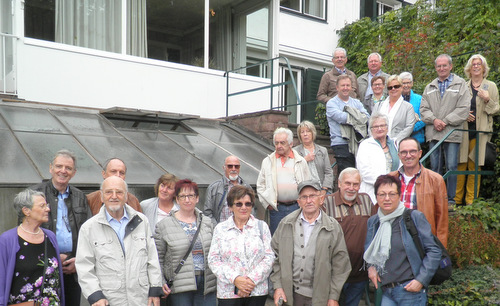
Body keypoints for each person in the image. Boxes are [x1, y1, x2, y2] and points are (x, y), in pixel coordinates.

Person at [75, 176, 163, 306]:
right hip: (109, 300)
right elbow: (84, 266)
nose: (114, 196)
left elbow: (152, 257)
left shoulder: (141, 221)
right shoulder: (89, 228)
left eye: (119, 192)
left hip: (141, 299)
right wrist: (95, 295)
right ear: (101, 196)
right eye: (109, 192)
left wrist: (155, 289)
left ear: (126, 196)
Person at [271, 180, 351, 306]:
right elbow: (273, 256)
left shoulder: (333, 227)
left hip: (321, 297)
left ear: (321, 199)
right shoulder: (286, 224)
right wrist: (278, 286)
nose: (308, 201)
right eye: (304, 197)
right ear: (299, 202)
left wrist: (333, 296)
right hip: (290, 295)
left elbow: (341, 265)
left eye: (313, 196)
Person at [364, 175, 441, 305]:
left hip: (410, 290)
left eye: (392, 194)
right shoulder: (374, 222)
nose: (387, 198)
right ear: (376, 197)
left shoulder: (413, 218)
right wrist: (371, 267)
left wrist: (421, 280)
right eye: (382, 194)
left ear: (399, 195)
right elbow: (368, 250)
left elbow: (434, 251)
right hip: (386, 290)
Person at [31, 149, 91, 306]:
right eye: (59, 166)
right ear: (51, 168)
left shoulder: (80, 197)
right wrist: (53, 258)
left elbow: (89, 233)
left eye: (68, 168)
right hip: (43, 267)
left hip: (72, 268)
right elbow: (24, 233)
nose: (63, 171)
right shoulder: (35, 194)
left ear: (74, 172)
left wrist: (79, 261)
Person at [208, 185, 274, 306]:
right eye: (239, 204)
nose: (243, 207)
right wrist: (236, 279)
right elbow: (213, 260)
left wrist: (250, 281)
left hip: (256, 291)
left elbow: (269, 257)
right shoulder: (220, 229)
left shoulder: (261, 227)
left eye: (247, 204)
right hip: (228, 292)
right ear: (230, 207)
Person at [154, 179, 216, 306]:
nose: (187, 200)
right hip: (180, 284)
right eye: (182, 196)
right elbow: (157, 257)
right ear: (177, 199)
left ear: (197, 198)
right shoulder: (164, 225)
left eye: (191, 196)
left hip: (207, 283)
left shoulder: (208, 222)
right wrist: (160, 281)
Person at [420, 54, 471, 203]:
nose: (441, 68)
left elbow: (464, 108)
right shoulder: (429, 86)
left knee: (451, 166)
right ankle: (436, 197)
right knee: (434, 166)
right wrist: (435, 120)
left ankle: (450, 199)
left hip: (452, 132)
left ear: (450, 66)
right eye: (439, 66)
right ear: (435, 68)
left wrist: (446, 121)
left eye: (444, 65)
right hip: (433, 132)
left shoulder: (460, 84)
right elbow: (423, 109)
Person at [0, 189, 65, 306]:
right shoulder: (7, 240)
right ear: (26, 211)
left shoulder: (50, 236)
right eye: (42, 206)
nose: (48, 209)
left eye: (47, 205)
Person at [323, 168, 376, 306]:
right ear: (339, 183)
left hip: (359, 273)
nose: (351, 188)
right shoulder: (326, 203)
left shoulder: (366, 199)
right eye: (347, 183)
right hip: (334, 275)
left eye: (355, 184)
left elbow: (374, 229)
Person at [455, 54, 500, 205]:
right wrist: (464, 114)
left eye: (478, 64)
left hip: (481, 132)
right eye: (473, 64)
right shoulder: (463, 85)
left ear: (483, 68)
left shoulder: (491, 86)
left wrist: (487, 99)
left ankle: (470, 202)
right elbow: (456, 108)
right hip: (464, 131)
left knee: (474, 165)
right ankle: (456, 200)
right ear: (469, 68)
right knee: (461, 164)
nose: (475, 66)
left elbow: (496, 109)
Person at [389, 137, 449, 246]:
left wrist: (440, 250)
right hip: (394, 239)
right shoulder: (390, 179)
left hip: (422, 241)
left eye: (412, 151)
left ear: (420, 153)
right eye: (403, 152)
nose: (408, 155)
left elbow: (442, 220)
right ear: (399, 156)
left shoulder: (436, 180)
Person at [256, 127, 311, 235]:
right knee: (277, 240)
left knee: (297, 238)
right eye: (276, 143)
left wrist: (304, 204)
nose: (279, 146)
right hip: (276, 209)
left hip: (297, 207)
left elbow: (307, 185)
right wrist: (268, 204)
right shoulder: (267, 161)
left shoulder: (300, 161)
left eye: (282, 143)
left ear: (291, 144)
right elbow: (260, 185)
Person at [326, 75, 370, 175]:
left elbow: (367, 117)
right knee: (346, 175)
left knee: (359, 174)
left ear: (351, 87)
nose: (345, 88)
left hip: (358, 143)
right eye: (343, 85)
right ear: (337, 87)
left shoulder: (357, 102)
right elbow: (342, 118)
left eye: (348, 85)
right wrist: (357, 116)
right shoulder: (331, 104)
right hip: (341, 143)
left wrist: (353, 115)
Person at [356, 114, 400, 203]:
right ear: (371, 130)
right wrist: (386, 180)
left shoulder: (395, 144)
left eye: (382, 125)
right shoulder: (365, 145)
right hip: (372, 192)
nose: (379, 129)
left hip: (393, 190)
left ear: (387, 128)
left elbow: (401, 166)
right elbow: (364, 171)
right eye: (376, 126)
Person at [204, 155, 252, 226]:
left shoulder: (247, 187)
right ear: (224, 168)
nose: (233, 169)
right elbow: (207, 213)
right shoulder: (213, 188)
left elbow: (252, 211)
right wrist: (217, 228)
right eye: (230, 166)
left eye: (236, 166)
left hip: (242, 231)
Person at [372, 75, 417, 144]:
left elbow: (409, 127)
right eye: (390, 87)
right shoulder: (378, 106)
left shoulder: (408, 107)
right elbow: (371, 125)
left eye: (396, 86)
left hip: (397, 144)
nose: (393, 89)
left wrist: (394, 141)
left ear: (401, 87)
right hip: (377, 143)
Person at [294, 120, 334, 193]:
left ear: (313, 133)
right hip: (303, 190)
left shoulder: (322, 150)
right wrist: (305, 160)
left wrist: (324, 189)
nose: (305, 134)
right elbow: (293, 170)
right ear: (299, 135)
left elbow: (329, 172)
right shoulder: (295, 151)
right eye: (302, 132)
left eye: (308, 131)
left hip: (322, 188)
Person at [400, 72, 425, 144]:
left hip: (416, 138)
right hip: (400, 139)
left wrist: (411, 129)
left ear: (412, 83)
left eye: (408, 83)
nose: (406, 85)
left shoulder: (419, 99)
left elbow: (424, 118)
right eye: (403, 83)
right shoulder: (396, 99)